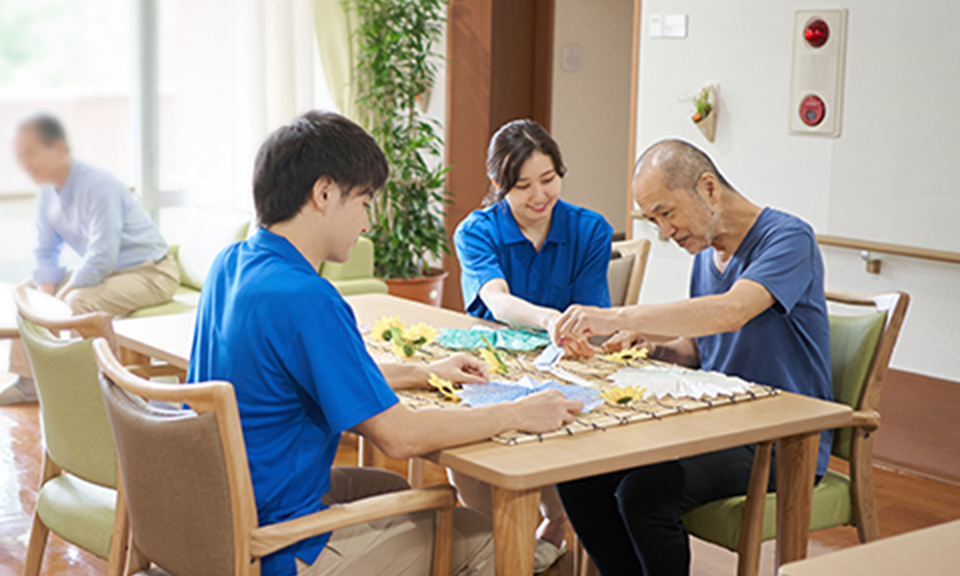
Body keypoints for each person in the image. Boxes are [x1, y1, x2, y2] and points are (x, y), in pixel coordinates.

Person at [188, 110, 584, 576]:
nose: (366, 222)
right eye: (364, 201)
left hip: (218, 514)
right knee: (505, 544)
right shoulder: (309, 299)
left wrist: (421, 372)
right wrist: (520, 411)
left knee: (389, 488)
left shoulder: (231, 264)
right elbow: (400, 436)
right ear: (324, 193)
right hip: (276, 544)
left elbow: (308, 376)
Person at [550, 139, 833, 576]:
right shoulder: (705, 254)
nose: (665, 231)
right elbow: (703, 348)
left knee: (644, 492)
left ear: (708, 188)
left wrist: (611, 315)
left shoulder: (788, 238)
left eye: (667, 213)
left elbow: (731, 312)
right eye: (654, 220)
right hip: (717, 427)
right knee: (578, 476)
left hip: (780, 442)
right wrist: (658, 346)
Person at [452, 119, 613, 572]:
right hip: (492, 369)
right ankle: (495, 545)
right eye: (523, 186)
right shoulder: (476, 230)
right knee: (467, 448)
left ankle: (555, 525)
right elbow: (496, 299)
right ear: (498, 184)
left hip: (565, 371)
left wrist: (579, 332)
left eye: (549, 179)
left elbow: (591, 313)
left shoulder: (589, 229)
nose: (539, 196)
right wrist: (548, 319)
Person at [2, 114, 179, 405]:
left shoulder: (98, 184)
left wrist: (61, 297)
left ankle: (90, 393)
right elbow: (44, 251)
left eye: (31, 153)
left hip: (151, 273)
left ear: (58, 148)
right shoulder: (47, 191)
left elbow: (102, 254)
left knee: (76, 302)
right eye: (20, 156)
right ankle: (29, 382)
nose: (25, 164)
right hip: (109, 273)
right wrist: (46, 294)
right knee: (28, 292)